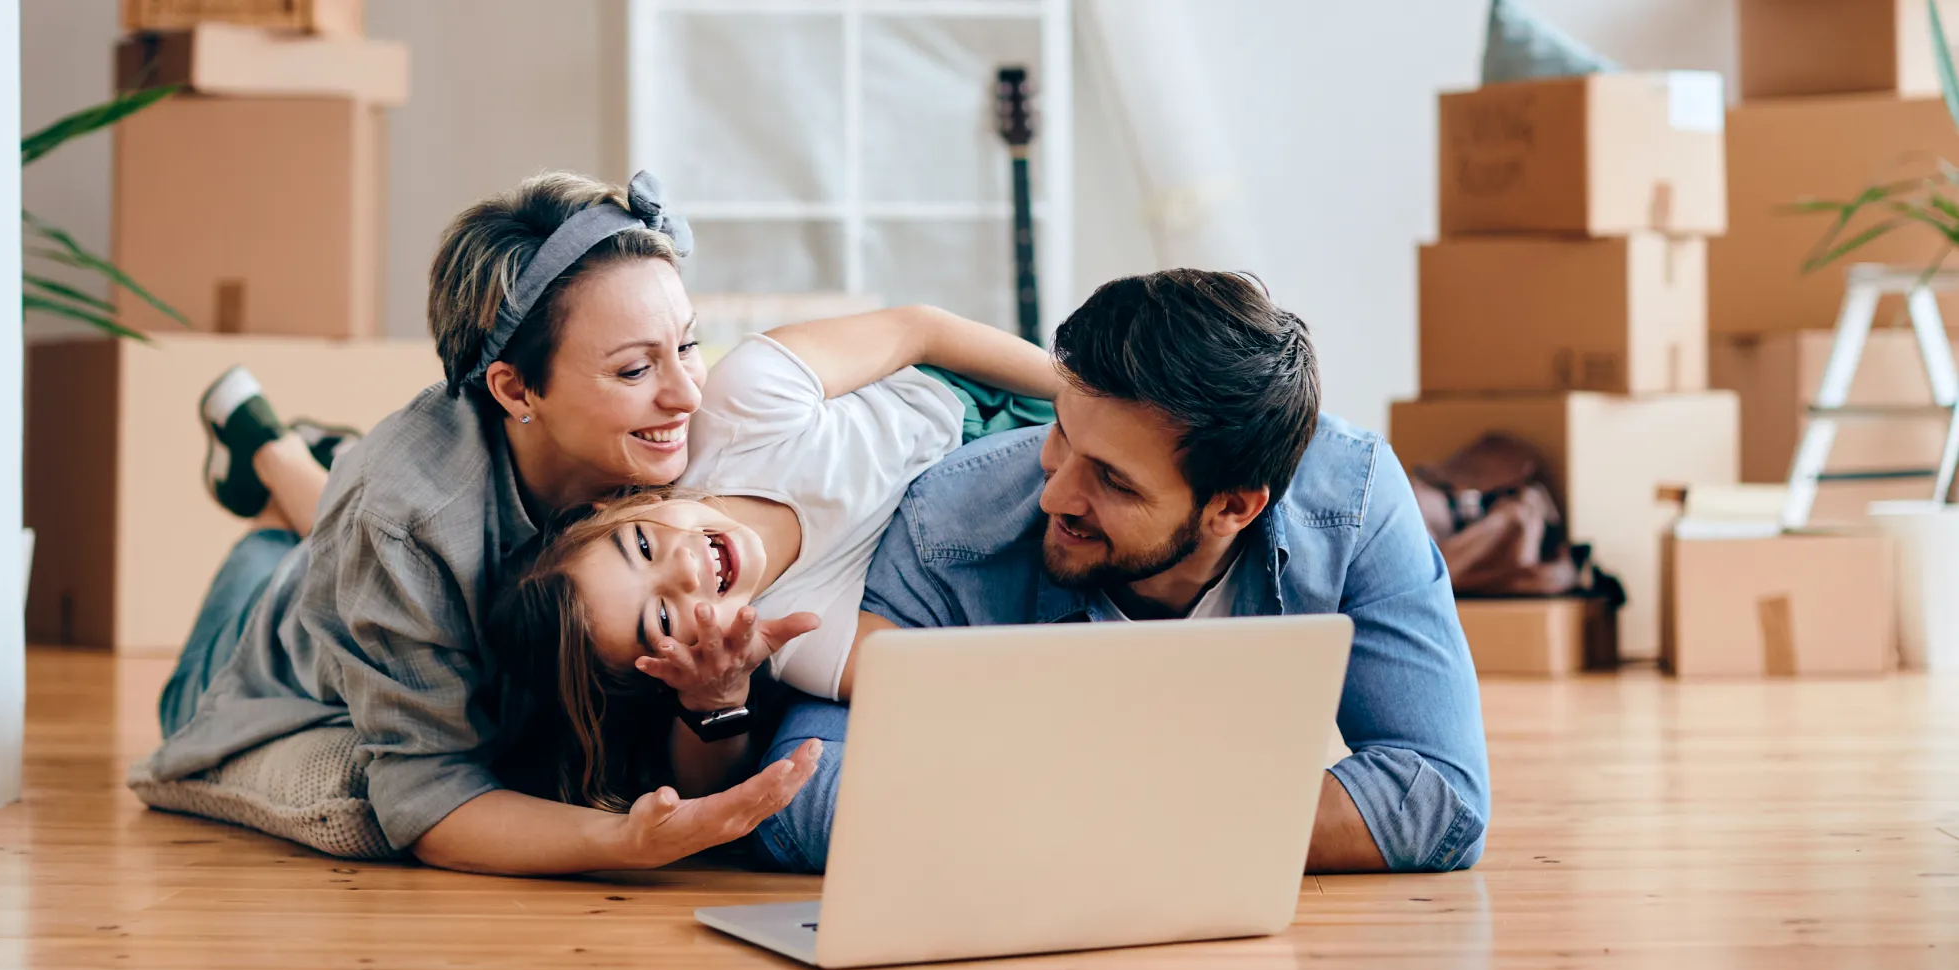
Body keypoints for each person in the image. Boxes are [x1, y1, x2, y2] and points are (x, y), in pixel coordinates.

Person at [139, 169, 1044, 876]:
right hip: (288, 643)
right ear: (515, 389)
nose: (687, 392)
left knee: (338, 521)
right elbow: (428, 799)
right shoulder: (404, 520)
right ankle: (271, 451)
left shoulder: (691, 446)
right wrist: (628, 845)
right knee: (279, 565)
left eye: (686, 344)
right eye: (632, 371)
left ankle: (289, 454)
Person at [744, 269, 1492, 875]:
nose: (1056, 493)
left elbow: (1440, 800)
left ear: (1232, 506)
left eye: (1113, 480)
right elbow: (800, 798)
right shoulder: (950, 523)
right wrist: (1177, 819)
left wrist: (1068, 818)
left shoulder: (1353, 502)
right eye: (1060, 435)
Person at [486, 309, 1060, 810]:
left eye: (641, 545)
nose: (686, 571)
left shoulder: (739, 405)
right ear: (674, 669)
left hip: (993, 396)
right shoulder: (795, 638)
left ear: (614, 506)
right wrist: (718, 697)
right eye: (662, 618)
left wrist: (1079, 395)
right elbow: (952, 670)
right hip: (1008, 519)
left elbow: (924, 331)